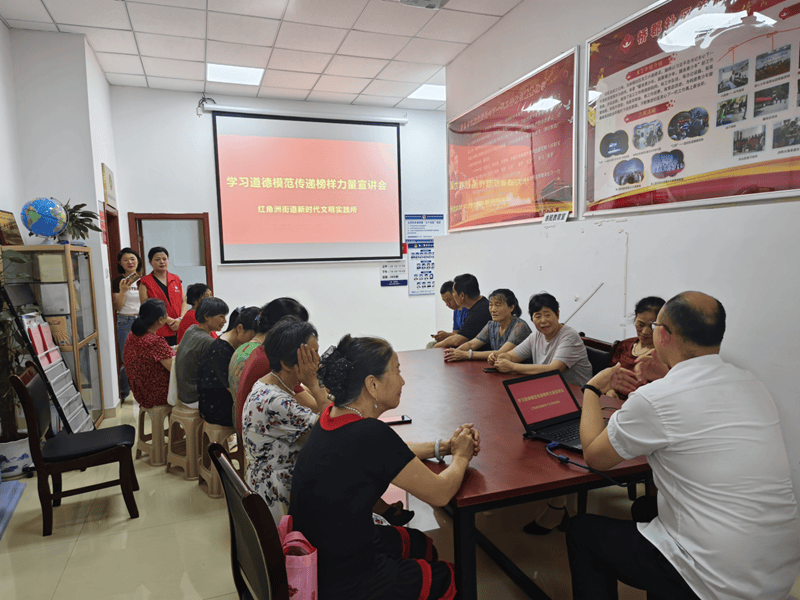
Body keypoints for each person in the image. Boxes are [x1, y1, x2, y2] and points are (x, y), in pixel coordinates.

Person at [568, 291, 800, 600]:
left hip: (714, 577)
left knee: (582, 533)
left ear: (662, 334)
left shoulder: (656, 398)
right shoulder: (751, 383)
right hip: (777, 571)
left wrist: (592, 388)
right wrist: (664, 376)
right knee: (645, 508)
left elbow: (595, 457)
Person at [290, 334, 481, 600]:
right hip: (347, 576)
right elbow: (440, 493)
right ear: (373, 385)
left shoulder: (334, 416)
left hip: (325, 551)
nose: (402, 380)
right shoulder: (370, 434)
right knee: (451, 577)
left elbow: (393, 453)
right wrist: (462, 455)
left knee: (420, 543)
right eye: (396, 371)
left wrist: (445, 446)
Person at [242, 317, 330, 521]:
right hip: (280, 494)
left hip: (276, 481)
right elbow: (332, 430)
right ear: (286, 363)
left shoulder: (270, 384)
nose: (318, 362)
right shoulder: (275, 401)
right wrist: (316, 385)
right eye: (312, 355)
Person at [233, 298, 310, 435]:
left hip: (247, 425)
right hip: (259, 433)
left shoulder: (258, 350)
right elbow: (314, 407)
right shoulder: (272, 360)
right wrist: (315, 383)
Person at [489, 292, 592, 386]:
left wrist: (512, 367)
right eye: (538, 316)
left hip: (577, 394)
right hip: (548, 388)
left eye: (547, 315)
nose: (543, 321)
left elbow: (554, 370)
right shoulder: (537, 335)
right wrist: (499, 357)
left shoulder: (569, 336)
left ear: (558, 314)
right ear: (532, 319)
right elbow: (511, 356)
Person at [197, 306, 259, 427]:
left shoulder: (230, 343)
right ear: (240, 328)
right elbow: (235, 391)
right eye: (253, 337)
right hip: (216, 409)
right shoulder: (221, 352)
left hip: (222, 400)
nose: (254, 342)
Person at [443, 288, 531, 362]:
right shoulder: (491, 325)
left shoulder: (519, 327)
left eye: (497, 305)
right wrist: (455, 353)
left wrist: (467, 354)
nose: (493, 309)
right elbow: (471, 344)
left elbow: (501, 353)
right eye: (491, 305)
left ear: (511, 307)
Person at [606, 296, 665, 400]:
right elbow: (608, 375)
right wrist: (610, 391)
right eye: (640, 324)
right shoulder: (625, 345)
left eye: (653, 326)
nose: (645, 331)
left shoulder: (664, 356)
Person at [175, 297, 228, 409]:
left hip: (182, 393)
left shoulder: (192, 329)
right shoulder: (208, 341)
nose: (225, 321)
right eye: (221, 316)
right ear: (206, 317)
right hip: (194, 397)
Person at [122, 298, 175, 409]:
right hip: (157, 394)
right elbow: (175, 368)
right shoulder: (156, 342)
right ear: (160, 320)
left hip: (140, 392)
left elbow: (154, 355)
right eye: (166, 314)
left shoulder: (132, 335)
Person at [138, 247, 188, 346]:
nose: (162, 262)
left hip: (179, 328)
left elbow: (184, 302)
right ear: (150, 262)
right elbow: (146, 307)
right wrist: (169, 321)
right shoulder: (145, 282)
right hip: (159, 330)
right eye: (157, 259)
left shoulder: (176, 279)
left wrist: (180, 320)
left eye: (164, 259)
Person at [111, 247, 142, 402]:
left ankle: (143, 393)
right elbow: (117, 306)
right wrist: (123, 291)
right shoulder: (118, 281)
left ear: (138, 261)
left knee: (144, 358)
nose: (130, 262)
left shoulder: (144, 280)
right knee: (127, 359)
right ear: (120, 263)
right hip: (125, 321)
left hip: (142, 321)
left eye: (133, 259)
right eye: (126, 260)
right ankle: (124, 394)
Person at [433, 273, 491, 348]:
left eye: (453, 292)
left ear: (462, 296)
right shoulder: (481, 304)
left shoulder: (479, 312)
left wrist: (435, 348)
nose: (453, 295)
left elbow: (457, 340)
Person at [430, 280, 468, 345]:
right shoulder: (456, 311)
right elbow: (455, 333)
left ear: (455, 295)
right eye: (444, 301)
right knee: (431, 344)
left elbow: (466, 336)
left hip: (466, 342)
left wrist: (447, 335)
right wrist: (443, 336)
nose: (447, 304)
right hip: (458, 341)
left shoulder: (468, 309)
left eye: (448, 300)